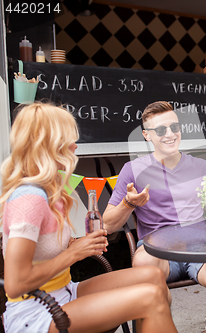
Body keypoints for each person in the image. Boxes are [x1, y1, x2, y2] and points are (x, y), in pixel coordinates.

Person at [1, 102, 177, 333]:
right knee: (151, 297)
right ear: (48, 144)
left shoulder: (49, 190)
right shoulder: (29, 198)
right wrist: (74, 253)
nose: (75, 146)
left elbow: (42, 251)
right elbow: (15, 285)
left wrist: (77, 244)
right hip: (37, 311)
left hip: (65, 290)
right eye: (68, 140)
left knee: (153, 276)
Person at [103, 101, 206, 332]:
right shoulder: (133, 169)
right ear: (147, 135)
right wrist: (128, 203)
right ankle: (162, 325)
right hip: (157, 249)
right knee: (144, 268)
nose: (170, 134)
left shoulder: (202, 167)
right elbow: (107, 224)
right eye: (160, 130)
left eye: (174, 127)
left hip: (199, 247)